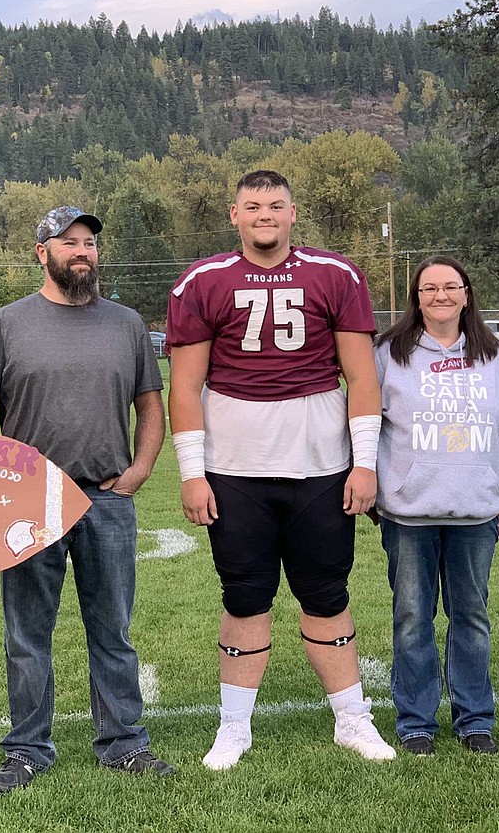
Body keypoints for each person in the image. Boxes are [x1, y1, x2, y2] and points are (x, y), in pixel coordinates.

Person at [166, 170, 395, 770]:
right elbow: (185, 386)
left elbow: (362, 378)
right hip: (234, 468)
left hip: (320, 464)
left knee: (327, 593)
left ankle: (352, 718)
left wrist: (364, 464)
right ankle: (234, 727)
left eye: (275, 205)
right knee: (244, 597)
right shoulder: (202, 281)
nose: (264, 214)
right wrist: (193, 472)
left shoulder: (336, 275)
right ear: (233, 215)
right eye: (252, 206)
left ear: (293, 213)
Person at [0, 206, 174, 793]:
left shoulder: (127, 324)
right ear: (42, 252)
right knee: (28, 634)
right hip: (30, 504)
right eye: (68, 242)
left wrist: (140, 468)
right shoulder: (6, 324)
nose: (82, 251)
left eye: (89, 243)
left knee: (113, 629)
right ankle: (28, 749)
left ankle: (123, 743)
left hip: (107, 499)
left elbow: (150, 406)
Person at [373, 256, 499, 756]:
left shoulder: (496, 358)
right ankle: (416, 723)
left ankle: (475, 720)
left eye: (450, 287)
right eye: (429, 288)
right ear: (415, 298)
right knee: (412, 618)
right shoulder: (388, 355)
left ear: (467, 294)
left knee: (471, 617)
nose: (440, 296)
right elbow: (363, 425)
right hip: (408, 515)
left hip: (475, 515)